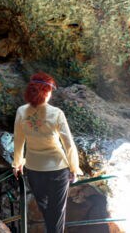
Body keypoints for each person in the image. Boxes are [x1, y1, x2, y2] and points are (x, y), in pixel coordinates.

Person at [12, 72, 83, 232]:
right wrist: (74, 168)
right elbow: (69, 145)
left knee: (47, 213)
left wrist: (17, 163)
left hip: (34, 170)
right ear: (46, 92)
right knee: (57, 215)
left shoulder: (21, 112)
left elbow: (19, 140)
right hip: (58, 169)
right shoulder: (56, 113)